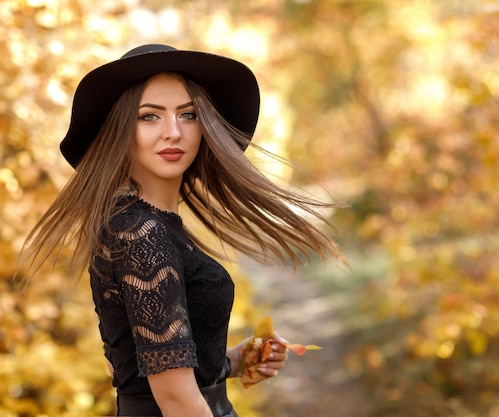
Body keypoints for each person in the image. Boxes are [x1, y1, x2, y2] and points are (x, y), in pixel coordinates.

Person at [19, 44, 343, 417]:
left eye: (187, 114)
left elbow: (136, 368)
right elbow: (174, 399)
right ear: (121, 131)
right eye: (150, 117)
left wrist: (235, 360)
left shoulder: (149, 225)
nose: (173, 132)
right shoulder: (141, 233)